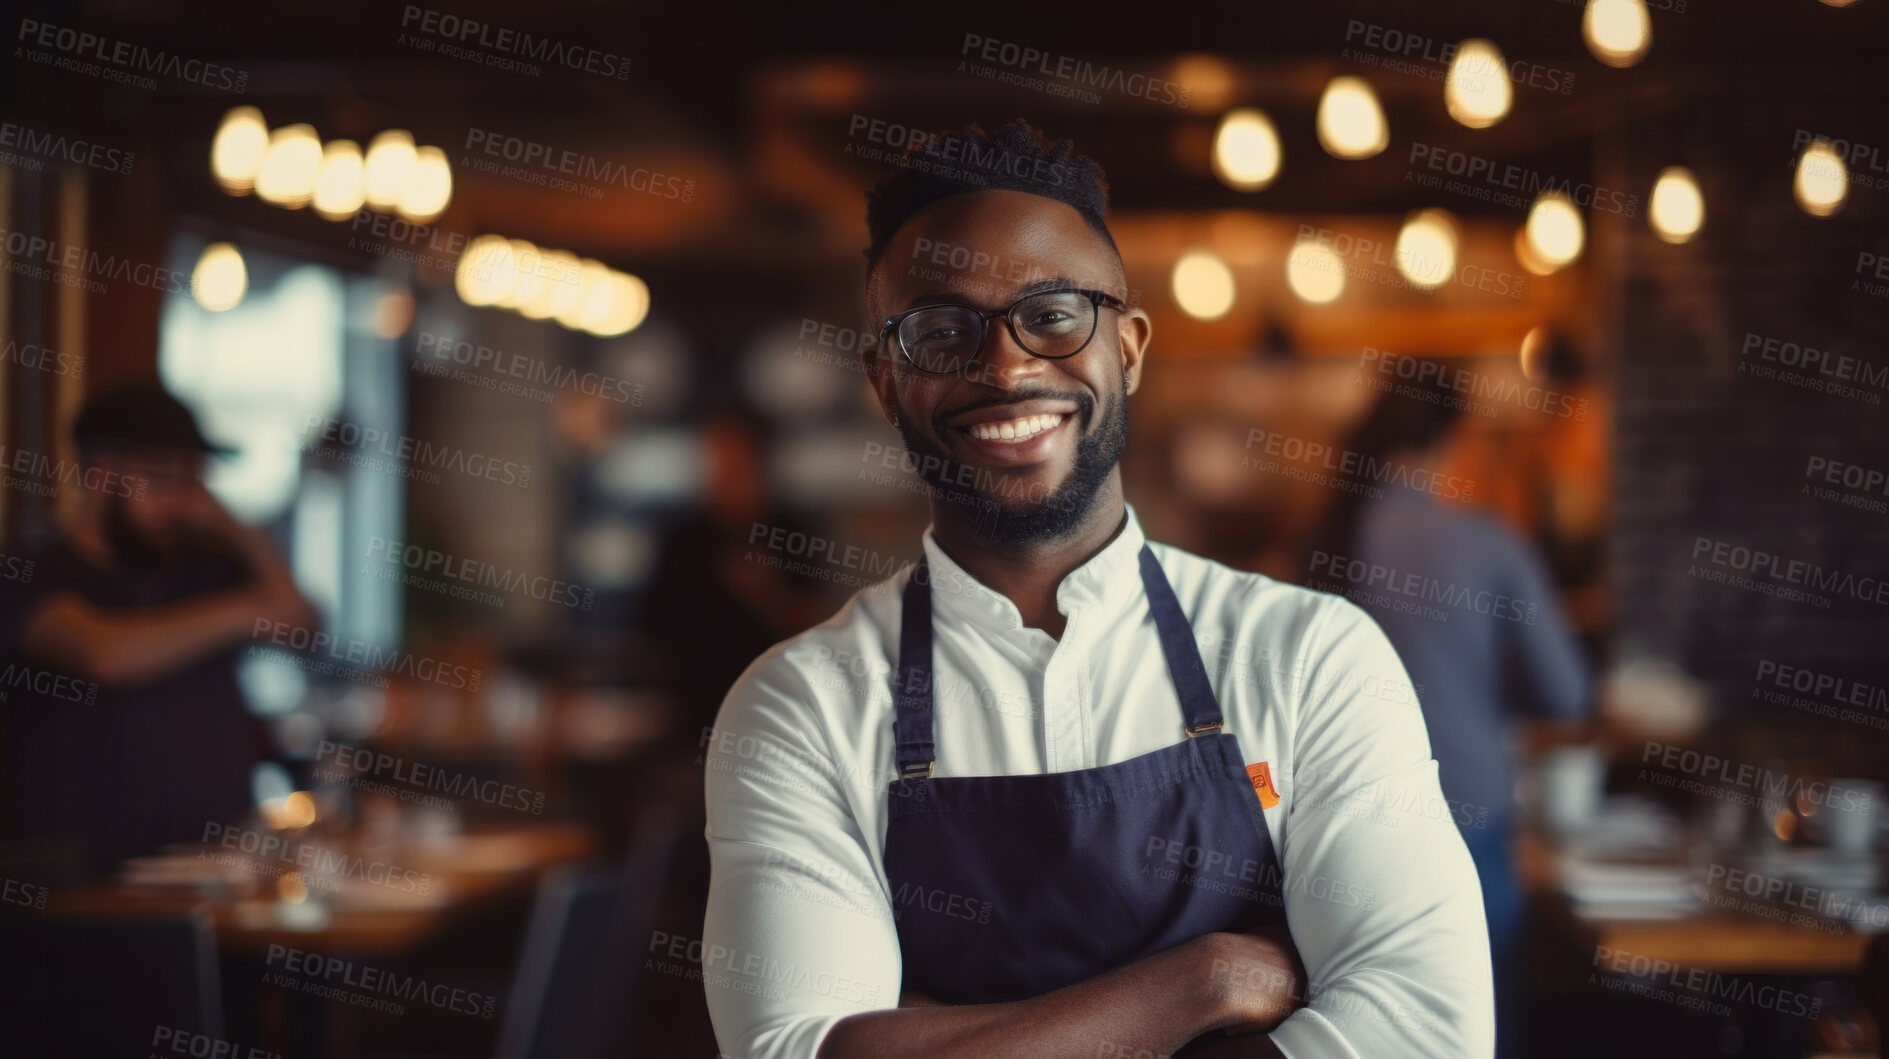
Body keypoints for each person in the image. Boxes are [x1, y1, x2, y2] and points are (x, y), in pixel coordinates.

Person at [701, 121, 1493, 1059]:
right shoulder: (800, 706)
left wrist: (927, 1036)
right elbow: (794, 1052)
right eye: (941, 329)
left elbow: (1427, 1033)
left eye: (1053, 313)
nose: (1004, 366)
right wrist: (1203, 981)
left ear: (1128, 347)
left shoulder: (1311, 654)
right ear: (884, 378)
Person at [1306, 372, 1592, 1059]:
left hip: (1332, 833)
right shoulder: (1483, 540)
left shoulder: (1323, 535)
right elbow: (1567, 692)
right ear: (1453, 438)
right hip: (1466, 825)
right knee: (1475, 1032)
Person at [0, 383, 316, 869]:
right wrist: (241, 612)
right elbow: (102, 655)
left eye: (195, 482)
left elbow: (298, 620)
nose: (184, 503)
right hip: (87, 886)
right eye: (165, 480)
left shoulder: (203, 568)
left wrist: (232, 525)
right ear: (104, 477)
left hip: (216, 871)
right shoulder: (34, 572)